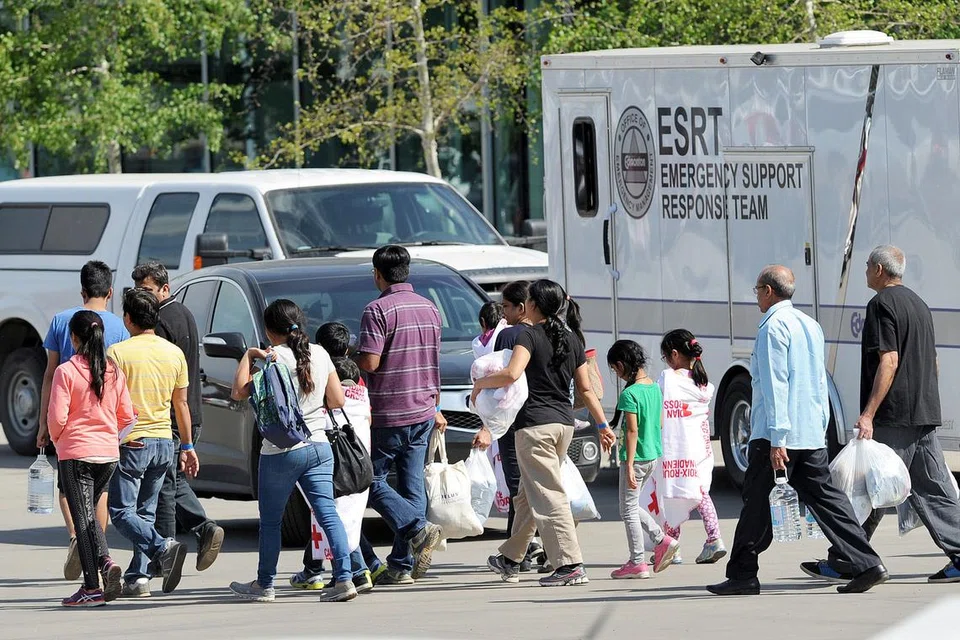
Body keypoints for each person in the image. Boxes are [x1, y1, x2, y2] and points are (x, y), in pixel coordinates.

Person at [707, 265, 887, 596]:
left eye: (757, 290)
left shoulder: (772, 328)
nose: (756, 296)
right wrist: (819, 428)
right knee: (828, 501)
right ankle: (867, 562)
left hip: (777, 437)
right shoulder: (810, 326)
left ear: (768, 291)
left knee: (756, 503)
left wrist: (778, 439)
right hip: (808, 434)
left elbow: (777, 386)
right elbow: (819, 382)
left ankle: (743, 574)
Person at [809, 245, 960, 584]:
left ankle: (848, 558)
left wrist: (868, 414)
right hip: (922, 412)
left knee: (868, 486)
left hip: (894, 415)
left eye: (866, 266)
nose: (864, 271)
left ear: (879, 269)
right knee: (932, 488)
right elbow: (932, 360)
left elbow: (888, 360)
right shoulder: (919, 304)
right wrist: (926, 401)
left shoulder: (880, 305)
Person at [476, 279, 616, 587]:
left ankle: (570, 564)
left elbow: (512, 373)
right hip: (563, 426)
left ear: (534, 305)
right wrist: (603, 424)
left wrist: (479, 385)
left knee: (548, 496)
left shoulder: (528, 335)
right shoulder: (571, 339)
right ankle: (511, 557)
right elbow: (585, 389)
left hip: (535, 428)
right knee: (528, 495)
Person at [229, 299, 359, 603]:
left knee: (271, 522)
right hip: (320, 446)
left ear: (269, 330)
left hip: (281, 451)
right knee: (328, 514)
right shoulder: (322, 353)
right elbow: (338, 400)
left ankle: (265, 584)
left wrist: (249, 355)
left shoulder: (273, 359)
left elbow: (238, 391)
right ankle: (344, 579)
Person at [357, 246, 445, 585]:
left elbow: (370, 363)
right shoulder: (430, 308)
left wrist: (353, 352)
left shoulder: (377, 309)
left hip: (388, 411)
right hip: (424, 407)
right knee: (411, 486)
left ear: (377, 274)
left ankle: (416, 528)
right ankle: (401, 564)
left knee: (370, 481)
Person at [37, 260, 129, 581]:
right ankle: (97, 550)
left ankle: (79, 540)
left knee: (70, 492)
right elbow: (125, 400)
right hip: (106, 436)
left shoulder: (63, 321)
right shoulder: (118, 326)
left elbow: (50, 375)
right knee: (99, 496)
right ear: (110, 291)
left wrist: (45, 429)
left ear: (82, 290)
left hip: (73, 433)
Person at [132, 262, 224, 574]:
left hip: (171, 415)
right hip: (189, 412)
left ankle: (168, 551)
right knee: (173, 480)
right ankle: (199, 531)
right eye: (138, 291)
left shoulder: (159, 322)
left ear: (164, 288)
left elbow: (160, 373)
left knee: (164, 488)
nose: (142, 297)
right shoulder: (184, 312)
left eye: (147, 290)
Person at [107, 289, 199, 597]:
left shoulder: (118, 353)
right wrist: (187, 446)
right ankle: (138, 578)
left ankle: (163, 548)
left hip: (133, 441)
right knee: (145, 512)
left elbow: (108, 401)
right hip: (165, 441)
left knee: (121, 511)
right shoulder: (174, 353)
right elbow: (182, 405)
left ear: (128, 319)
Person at [47, 310, 137, 607]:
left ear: (73, 338)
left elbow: (57, 417)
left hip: (76, 454)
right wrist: (112, 437)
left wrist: (59, 440)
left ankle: (91, 587)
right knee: (87, 515)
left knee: (83, 518)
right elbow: (127, 415)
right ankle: (107, 563)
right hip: (108, 455)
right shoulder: (113, 370)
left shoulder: (67, 371)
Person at [472, 281, 546, 572]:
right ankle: (542, 547)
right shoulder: (555, 333)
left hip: (517, 421)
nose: (503, 313)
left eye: (505, 306)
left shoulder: (511, 334)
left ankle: (517, 554)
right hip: (553, 418)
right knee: (543, 487)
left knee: (519, 486)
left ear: (521, 307)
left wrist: (489, 421)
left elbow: (505, 384)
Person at [290, 356, 375, 595]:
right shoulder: (362, 398)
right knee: (342, 521)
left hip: (334, 472)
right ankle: (350, 571)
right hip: (357, 470)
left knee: (333, 519)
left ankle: (353, 573)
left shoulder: (329, 409)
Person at [606, 339, 678, 579]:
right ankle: (661, 539)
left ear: (621, 365)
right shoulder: (653, 388)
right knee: (631, 505)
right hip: (652, 456)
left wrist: (627, 464)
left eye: (615, 370)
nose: (616, 374)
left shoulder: (630, 394)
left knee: (627, 510)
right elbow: (658, 423)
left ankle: (637, 560)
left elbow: (632, 431)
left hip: (635, 459)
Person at [658, 329, 726, 565]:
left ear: (674, 355)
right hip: (699, 449)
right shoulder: (703, 385)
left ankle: (672, 544)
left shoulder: (668, 379)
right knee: (698, 494)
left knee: (673, 494)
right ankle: (712, 538)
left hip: (676, 449)